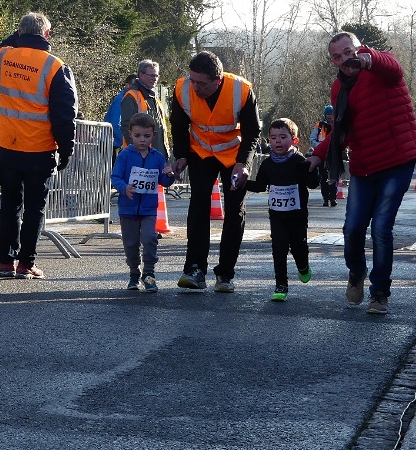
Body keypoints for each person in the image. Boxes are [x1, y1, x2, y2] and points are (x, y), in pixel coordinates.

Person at [306, 32, 416, 315]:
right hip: (364, 166)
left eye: (349, 52)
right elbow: (341, 131)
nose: (346, 59)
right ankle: (356, 272)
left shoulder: (382, 66)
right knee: (353, 228)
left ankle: (379, 293)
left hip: (397, 160)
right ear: (333, 62)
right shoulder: (339, 88)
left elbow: (393, 67)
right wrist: (318, 155)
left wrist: (369, 60)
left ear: (359, 48)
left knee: (381, 227)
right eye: (338, 56)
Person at [0, 12, 77, 279]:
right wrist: (66, 150)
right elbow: (65, 115)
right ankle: (27, 264)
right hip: (39, 148)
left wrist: (20, 35)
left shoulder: (4, 56)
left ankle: (5, 262)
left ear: (19, 33)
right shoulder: (55, 66)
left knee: (9, 205)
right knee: (34, 208)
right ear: (47, 35)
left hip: (7, 145)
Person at [170, 50, 262, 293]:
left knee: (234, 210)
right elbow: (178, 125)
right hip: (201, 152)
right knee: (198, 205)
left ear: (217, 80)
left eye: (202, 83)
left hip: (234, 155)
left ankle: (225, 274)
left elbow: (253, 132)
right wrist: (181, 156)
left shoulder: (241, 90)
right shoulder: (182, 88)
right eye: (193, 80)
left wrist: (244, 163)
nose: (196, 87)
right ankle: (194, 269)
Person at [246, 119, 320, 301]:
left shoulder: (299, 161)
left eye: (283, 137)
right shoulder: (267, 164)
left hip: (297, 217)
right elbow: (260, 186)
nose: (277, 141)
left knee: (298, 247)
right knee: (279, 248)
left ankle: (303, 266)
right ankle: (281, 285)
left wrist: (313, 168)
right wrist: (242, 183)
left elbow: (313, 184)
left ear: (294, 140)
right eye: (273, 138)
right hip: (277, 216)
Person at [110, 112, 177, 293]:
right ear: (130, 134)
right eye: (138, 135)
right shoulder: (125, 155)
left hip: (148, 209)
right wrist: (125, 188)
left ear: (153, 135)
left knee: (150, 238)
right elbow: (115, 177)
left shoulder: (158, 157)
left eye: (146, 136)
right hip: (128, 208)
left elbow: (164, 181)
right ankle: (134, 272)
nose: (142, 140)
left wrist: (170, 175)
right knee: (130, 244)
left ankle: (149, 272)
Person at [120, 60, 169, 157]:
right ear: (141, 75)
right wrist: (137, 152)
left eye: (156, 76)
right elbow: (126, 126)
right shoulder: (131, 96)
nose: (155, 79)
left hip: (157, 155)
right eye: (151, 75)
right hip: (140, 155)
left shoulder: (155, 97)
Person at [104, 73, 137, 163]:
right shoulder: (121, 99)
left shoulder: (129, 98)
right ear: (127, 85)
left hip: (115, 142)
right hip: (111, 143)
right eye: (134, 84)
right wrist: (126, 140)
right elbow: (115, 123)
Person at [309, 105, 337, 204]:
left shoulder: (337, 125)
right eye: (327, 114)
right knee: (323, 176)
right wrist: (319, 145)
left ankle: (333, 198)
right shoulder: (320, 125)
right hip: (322, 154)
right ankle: (325, 198)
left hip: (334, 155)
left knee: (333, 176)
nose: (329, 116)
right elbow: (312, 138)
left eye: (331, 114)